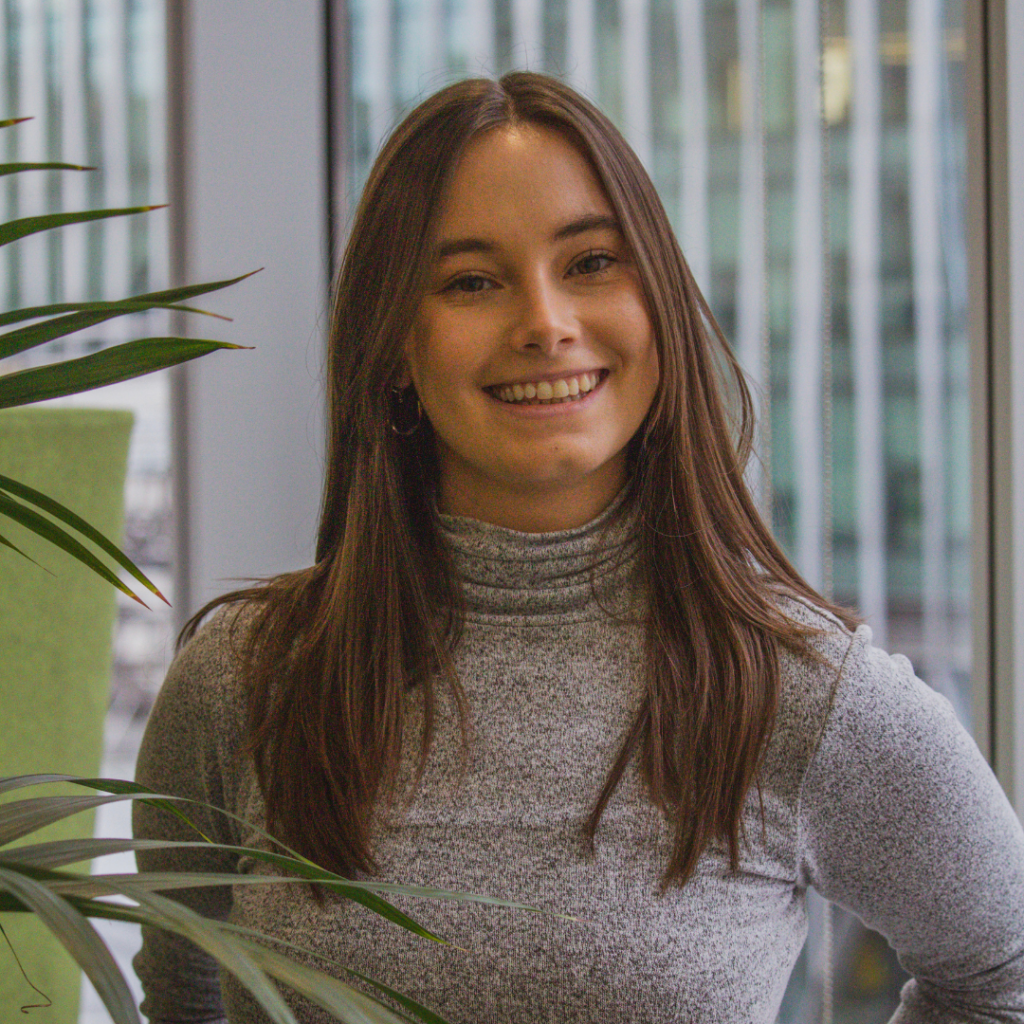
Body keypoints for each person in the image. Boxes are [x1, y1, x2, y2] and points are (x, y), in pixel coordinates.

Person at [132, 71, 1024, 1024]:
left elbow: (1002, 976)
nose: (546, 324)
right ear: (393, 346)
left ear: (660, 307)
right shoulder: (245, 679)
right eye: (472, 282)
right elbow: (182, 992)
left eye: (592, 262)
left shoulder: (800, 692)